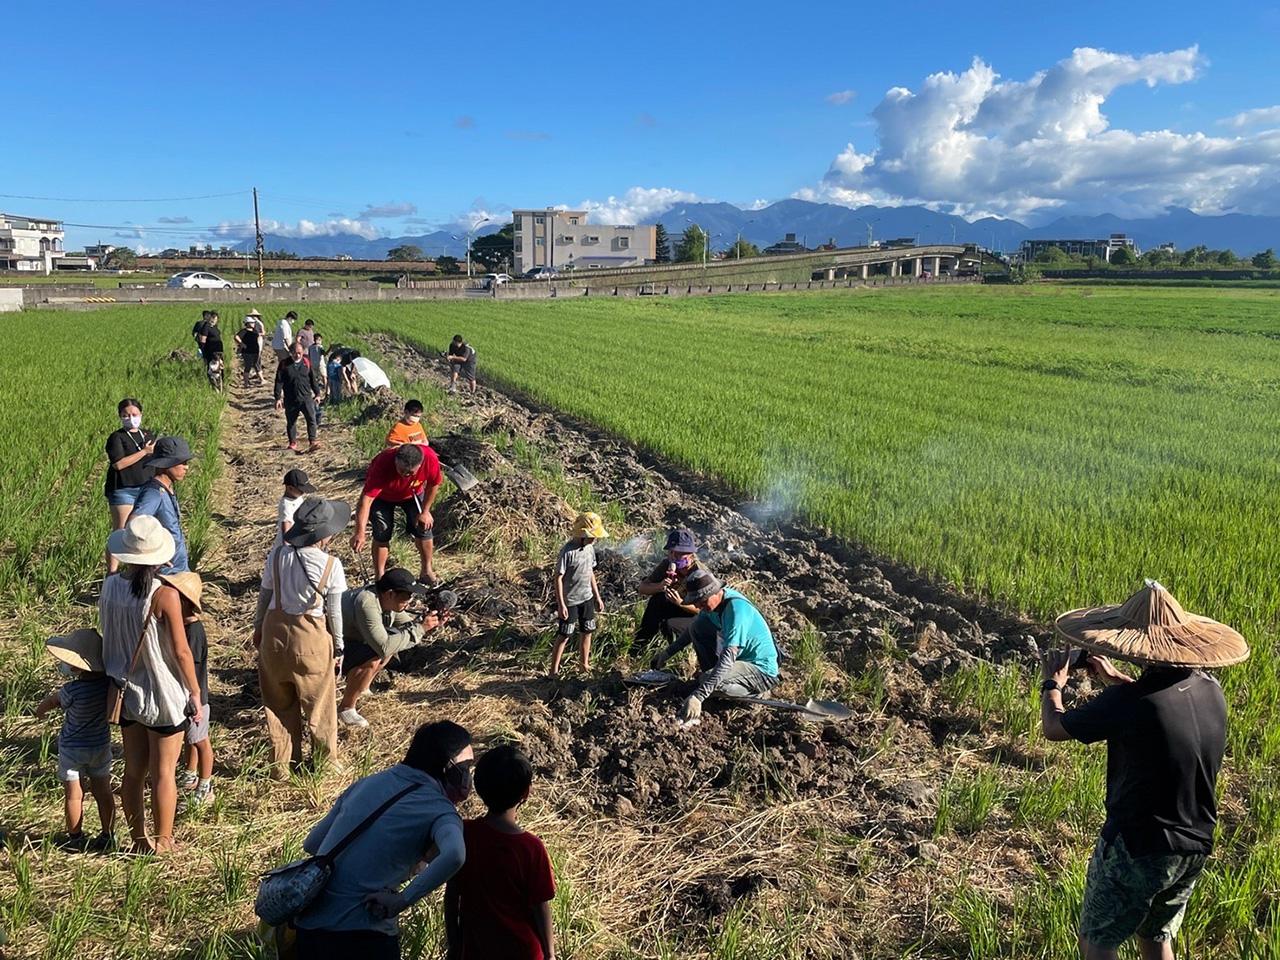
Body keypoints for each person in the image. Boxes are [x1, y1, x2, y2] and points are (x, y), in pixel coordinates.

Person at [1040, 580, 1249, 960]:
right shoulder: (1209, 688)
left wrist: (1051, 685)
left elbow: (1055, 728)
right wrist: (1116, 678)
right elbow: (1159, 705)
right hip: (1193, 844)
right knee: (1155, 937)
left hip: (1137, 844)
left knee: (1097, 940)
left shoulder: (1129, 702)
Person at [294, 720, 472, 959]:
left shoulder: (366, 783)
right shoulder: (439, 809)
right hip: (362, 936)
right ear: (449, 768)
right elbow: (455, 854)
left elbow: (313, 844)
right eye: (467, 766)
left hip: (308, 929)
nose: (469, 776)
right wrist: (402, 899)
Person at [101, 515, 203, 854]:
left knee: (133, 771)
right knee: (164, 773)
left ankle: (138, 839)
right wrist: (195, 690)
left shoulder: (110, 586)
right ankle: (164, 841)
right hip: (161, 694)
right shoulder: (163, 595)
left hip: (125, 692)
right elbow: (181, 650)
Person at [252, 498, 349, 780]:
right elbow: (334, 612)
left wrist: (258, 627)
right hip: (311, 639)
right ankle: (326, 763)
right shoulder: (331, 565)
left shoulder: (278, 555)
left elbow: (265, 595)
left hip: (274, 634)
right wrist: (339, 646)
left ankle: (282, 765)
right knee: (319, 704)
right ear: (324, 534)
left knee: (278, 703)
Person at [445, 745, 556, 960]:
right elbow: (540, 906)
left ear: (478, 786)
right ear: (526, 793)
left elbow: (452, 894)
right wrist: (550, 954)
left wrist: (455, 943)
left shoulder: (465, 833)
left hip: (476, 949)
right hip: (523, 951)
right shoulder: (531, 848)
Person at [651, 570, 780, 722]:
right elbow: (691, 631)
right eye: (696, 602)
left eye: (702, 601)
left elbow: (727, 658)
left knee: (707, 679)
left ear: (715, 592)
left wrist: (699, 696)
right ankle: (713, 684)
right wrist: (666, 654)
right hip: (737, 663)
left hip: (760, 671)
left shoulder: (736, 610)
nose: (698, 605)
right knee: (697, 628)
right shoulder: (712, 605)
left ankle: (756, 694)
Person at [34, 629, 117, 852]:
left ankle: (75, 838)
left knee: (73, 795)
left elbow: (53, 701)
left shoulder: (72, 690)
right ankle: (108, 834)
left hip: (72, 749)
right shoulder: (107, 687)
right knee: (103, 792)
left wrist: (39, 711)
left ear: (76, 666)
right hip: (100, 745)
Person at [338, 568, 448, 729]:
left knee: (394, 638)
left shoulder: (388, 602)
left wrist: (430, 624)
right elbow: (384, 646)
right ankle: (346, 708)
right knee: (377, 652)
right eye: (407, 596)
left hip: (352, 639)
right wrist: (420, 629)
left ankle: (362, 687)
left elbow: (406, 627)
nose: (410, 600)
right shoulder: (367, 603)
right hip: (332, 645)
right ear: (390, 593)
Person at [351, 443, 443, 585]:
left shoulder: (430, 458)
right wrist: (360, 532)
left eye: (410, 473)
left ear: (420, 465)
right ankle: (380, 577)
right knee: (382, 532)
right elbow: (366, 500)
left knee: (424, 527)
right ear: (395, 461)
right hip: (383, 497)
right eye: (401, 470)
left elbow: (433, 484)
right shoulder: (383, 463)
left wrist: (425, 511)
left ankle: (426, 571)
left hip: (413, 493)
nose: (405, 475)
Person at [164, 573, 215, 807]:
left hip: (194, 698)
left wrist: (193, 698)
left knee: (200, 740)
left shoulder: (194, 633)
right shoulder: (183, 627)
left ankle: (206, 785)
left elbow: (190, 667)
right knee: (190, 739)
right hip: (186, 696)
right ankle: (190, 773)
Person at [104, 397, 157, 574]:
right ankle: (112, 574)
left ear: (141, 414)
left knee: (145, 532)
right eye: (126, 415)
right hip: (123, 489)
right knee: (121, 531)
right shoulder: (116, 438)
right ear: (120, 416)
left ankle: (138, 572)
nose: (131, 418)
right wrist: (144, 452)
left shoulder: (148, 435)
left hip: (146, 489)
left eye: (134, 414)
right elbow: (118, 464)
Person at [550, 512, 607, 677]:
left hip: (586, 598)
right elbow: (558, 578)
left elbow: (590, 573)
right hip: (570, 602)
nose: (594, 540)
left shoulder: (590, 549)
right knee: (564, 635)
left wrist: (597, 596)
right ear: (582, 535)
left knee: (587, 631)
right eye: (592, 536)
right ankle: (553, 671)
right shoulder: (567, 552)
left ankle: (584, 665)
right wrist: (561, 604)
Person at [132, 436, 194, 576]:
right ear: (167, 464)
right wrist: (151, 558)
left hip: (178, 569)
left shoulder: (166, 489)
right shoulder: (153, 494)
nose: (186, 467)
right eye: (182, 463)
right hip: (166, 574)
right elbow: (134, 523)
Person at [634, 528, 702, 646]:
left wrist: (680, 603)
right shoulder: (667, 564)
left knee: (670, 626)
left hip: (695, 617)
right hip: (676, 607)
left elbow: (705, 610)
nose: (674, 556)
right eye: (671, 552)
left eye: (680, 553)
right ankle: (640, 645)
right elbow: (642, 588)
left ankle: (676, 652)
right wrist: (659, 586)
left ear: (690, 555)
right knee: (658, 600)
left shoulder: (700, 573)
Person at [273, 339, 324, 454]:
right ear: (291, 352)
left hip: (306, 397)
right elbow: (279, 381)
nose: (298, 355)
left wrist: (317, 393)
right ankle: (292, 443)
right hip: (291, 398)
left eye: (300, 353)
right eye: (295, 353)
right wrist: (277, 398)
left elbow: (313, 379)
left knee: (311, 419)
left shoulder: (306, 362)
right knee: (291, 422)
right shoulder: (284, 364)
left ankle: (312, 441)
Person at [275, 468, 316, 548]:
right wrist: (288, 548)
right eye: (300, 490)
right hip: (290, 543)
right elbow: (286, 528)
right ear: (290, 488)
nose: (303, 492)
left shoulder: (297, 497)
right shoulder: (286, 505)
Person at [235, 314, 264, 385]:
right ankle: (246, 382)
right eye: (252, 322)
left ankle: (262, 379)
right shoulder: (244, 331)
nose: (254, 324)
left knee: (256, 365)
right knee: (248, 366)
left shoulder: (254, 330)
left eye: (254, 322)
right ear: (247, 323)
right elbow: (236, 337)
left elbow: (261, 334)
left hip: (255, 350)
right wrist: (242, 344)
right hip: (247, 352)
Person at [243, 308, 267, 380]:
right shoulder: (251, 323)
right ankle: (258, 374)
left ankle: (259, 374)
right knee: (255, 359)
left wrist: (257, 334)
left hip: (258, 341)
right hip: (253, 342)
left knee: (257, 358)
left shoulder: (258, 323)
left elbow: (263, 332)